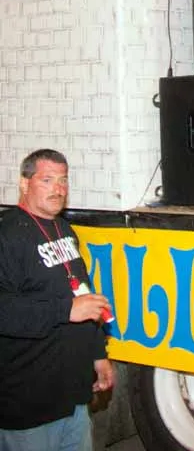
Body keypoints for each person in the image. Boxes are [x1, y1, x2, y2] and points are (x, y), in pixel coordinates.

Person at [0, 149, 114, 448]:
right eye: (47, 180)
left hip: (73, 399)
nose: (58, 189)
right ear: (24, 184)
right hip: (28, 406)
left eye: (63, 180)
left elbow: (82, 294)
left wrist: (98, 354)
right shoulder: (7, 235)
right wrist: (65, 310)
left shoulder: (64, 229)